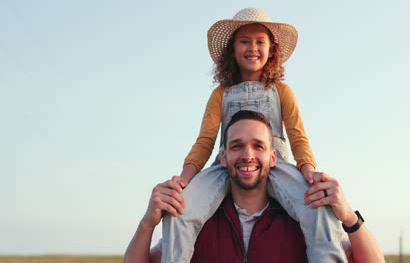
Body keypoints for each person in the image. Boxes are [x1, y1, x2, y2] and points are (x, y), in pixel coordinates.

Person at [163, 7, 346, 262]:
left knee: (317, 207)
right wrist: (184, 179)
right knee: (180, 209)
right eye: (244, 41)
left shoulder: (281, 91)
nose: (253, 48)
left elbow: (298, 136)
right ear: (233, 50)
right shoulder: (220, 94)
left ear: (271, 50)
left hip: (276, 163)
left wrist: (307, 171)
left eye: (261, 41)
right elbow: (205, 140)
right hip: (228, 165)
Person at [124, 110, 385, 263]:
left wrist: (349, 217)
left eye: (258, 146)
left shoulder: (305, 216)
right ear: (223, 157)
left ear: (274, 158)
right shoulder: (197, 220)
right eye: (237, 146)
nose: (247, 155)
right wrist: (147, 224)